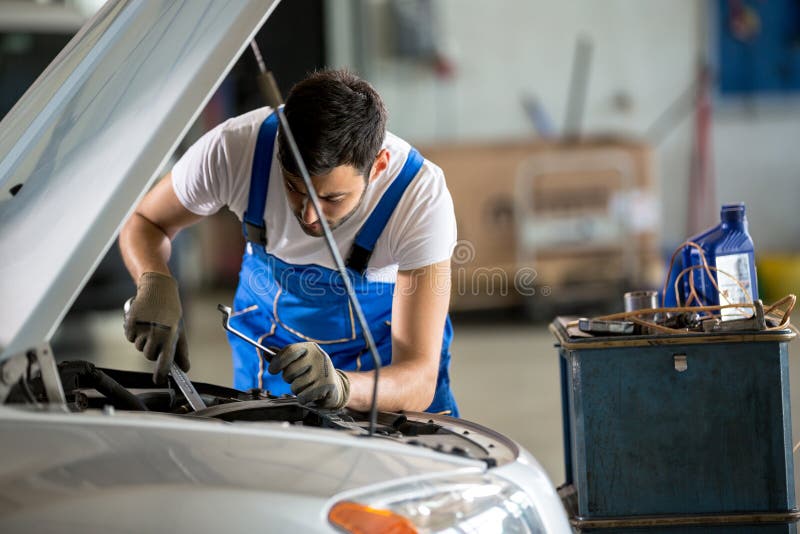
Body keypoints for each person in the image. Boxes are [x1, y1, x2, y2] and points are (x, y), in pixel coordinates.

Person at [119, 69, 458, 416]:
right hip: (272, 362)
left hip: (382, 380)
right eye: (294, 188)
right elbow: (145, 221)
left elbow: (418, 377)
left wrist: (344, 386)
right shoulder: (236, 148)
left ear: (378, 167)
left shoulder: (419, 197)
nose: (309, 215)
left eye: (332, 198)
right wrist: (154, 280)